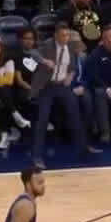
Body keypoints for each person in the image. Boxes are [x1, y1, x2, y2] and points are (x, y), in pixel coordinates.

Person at [29, 22, 89, 165]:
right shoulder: (48, 44)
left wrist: (70, 76)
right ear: (56, 35)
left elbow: (73, 66)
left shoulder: (70, 46)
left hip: (62, 86)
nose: (65, 38)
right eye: (62, 35)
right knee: (42, 120)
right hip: (47, 87)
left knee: (75, 115)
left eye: (67, 35)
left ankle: (84, 148)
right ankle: (36, 156)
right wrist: (44, 61)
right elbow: (33, 53)